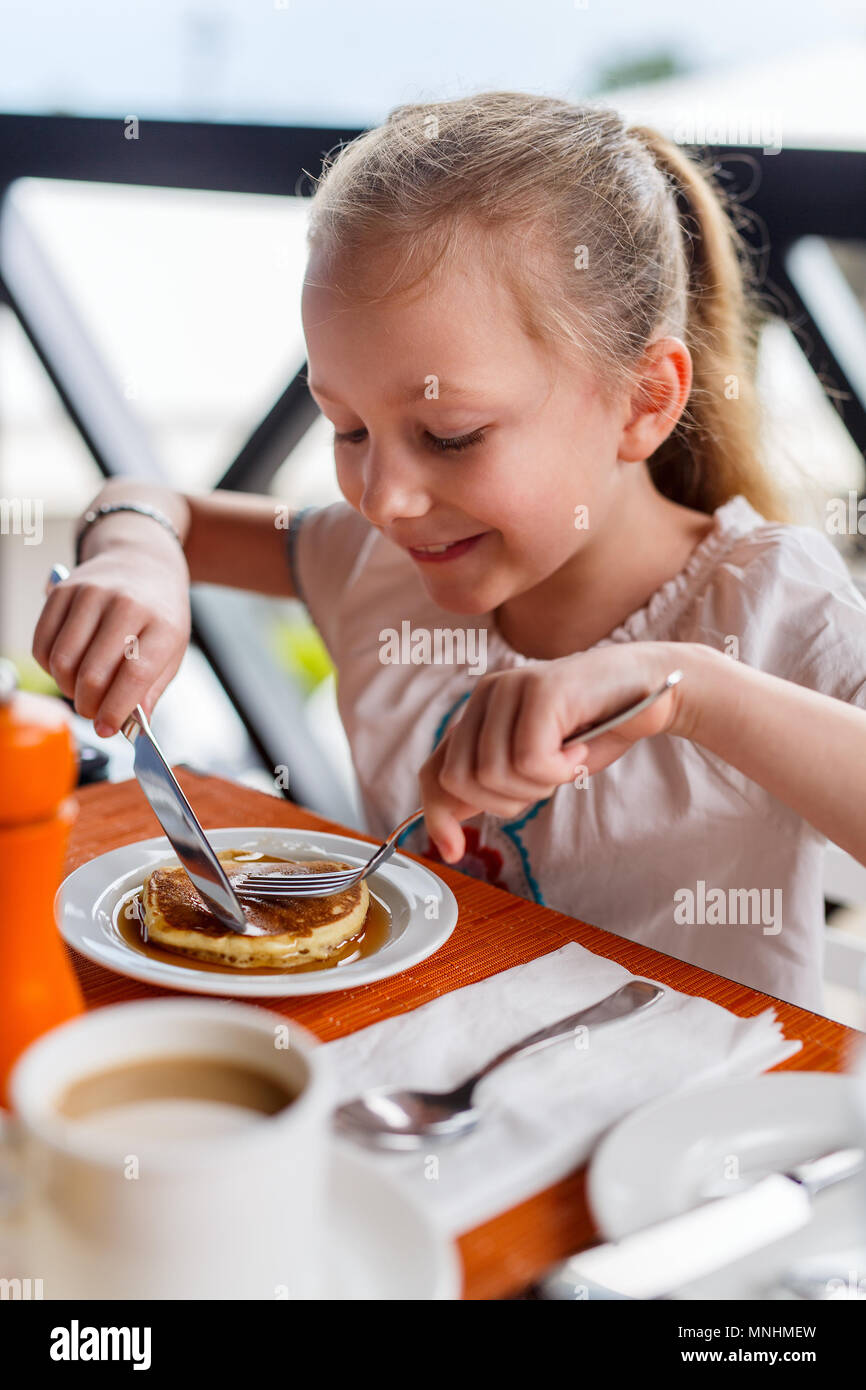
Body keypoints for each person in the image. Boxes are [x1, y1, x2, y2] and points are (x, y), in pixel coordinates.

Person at [33, 93, 866, 1012]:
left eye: (451, 433)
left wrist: (692, 692)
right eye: (347, 428)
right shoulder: (375, 562)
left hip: (695, 1138)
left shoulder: (768, 602)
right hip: (425, 1107)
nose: (384, 499)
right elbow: (147, 504)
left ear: (642, 402)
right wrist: (136, 551)